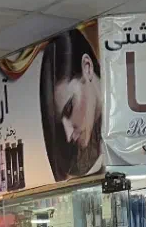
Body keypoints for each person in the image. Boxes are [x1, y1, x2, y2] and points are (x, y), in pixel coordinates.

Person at [40, 28, 102, 182]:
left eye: (69, 108)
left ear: (87, 67)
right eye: (60, 123)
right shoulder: (76, 163)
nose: (68, 135)